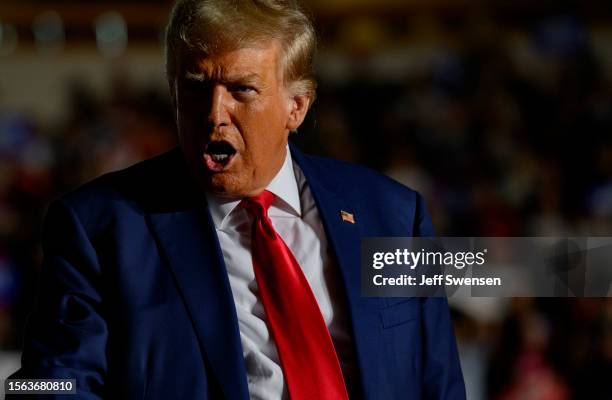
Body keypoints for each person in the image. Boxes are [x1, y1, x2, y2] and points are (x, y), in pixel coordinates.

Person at [10, 1, 465, 399]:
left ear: (297, 106)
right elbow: (52, 380)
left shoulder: (393, 215)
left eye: (241, 90)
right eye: (194, 87)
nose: (214, 114)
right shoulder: (98, 226)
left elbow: (439, 382)